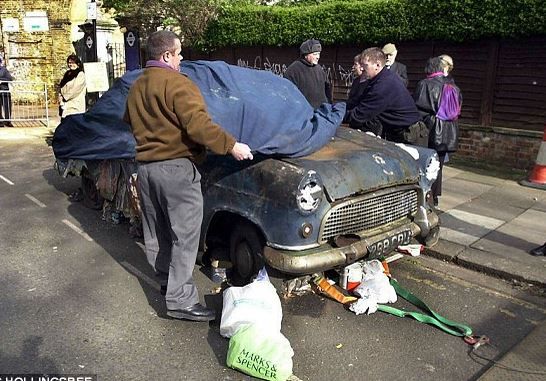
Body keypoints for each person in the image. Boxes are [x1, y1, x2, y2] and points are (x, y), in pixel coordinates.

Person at [124, 30, 253, 322]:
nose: (182, 58)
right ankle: (181, 301)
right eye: (179, 53)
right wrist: (231, 145)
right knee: (185, 237)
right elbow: (198, 126)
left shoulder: (136, 86)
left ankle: (168, 283)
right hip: (176, 170)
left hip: (146, 169)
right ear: (167, 55)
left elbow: (128, 121)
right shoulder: (178, 84)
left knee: (157, 232)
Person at [344, 47, 427, 145]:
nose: (362, 68)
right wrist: (336, 107)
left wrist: (335, 115)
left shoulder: (384, 84)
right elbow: (358, 101)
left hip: (410, 135)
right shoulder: (377, 80)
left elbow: (360, 114)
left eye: (365, 65)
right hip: (397, 131)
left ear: (377, 65)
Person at [414, 56, 462, 207]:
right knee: (438, 166)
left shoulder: (425, 84)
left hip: (430, 130)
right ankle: (434, 196)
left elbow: (418, 108)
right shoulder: (454, 87)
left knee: (424, 163)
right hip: (449, 132)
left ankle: (425, 196)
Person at [284, 38, 332, 109]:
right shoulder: (293, 71)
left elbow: (327, 90)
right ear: (305, 55)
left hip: (321, 113)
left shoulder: (320, 69)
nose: (318, 57)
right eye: (315, 54)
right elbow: (288, 95)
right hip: (303, 114)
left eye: (319, 54)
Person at [58, 54, 86, 119]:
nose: (71, 64)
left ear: (77, 64)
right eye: (69, 63)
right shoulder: (67, 74)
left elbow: (75, 89)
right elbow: (62, 86)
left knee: (74, 125)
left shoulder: (80, 74)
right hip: (65, 105)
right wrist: (60, 97)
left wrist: (64, 97)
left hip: (75, 105)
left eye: (73, 63)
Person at [0, 57, 14, 127]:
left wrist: (1, 80)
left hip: (5, 90)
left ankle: (8, 121)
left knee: (7, 106)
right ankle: (0, 122)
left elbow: (10, 78)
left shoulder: (4, 70)